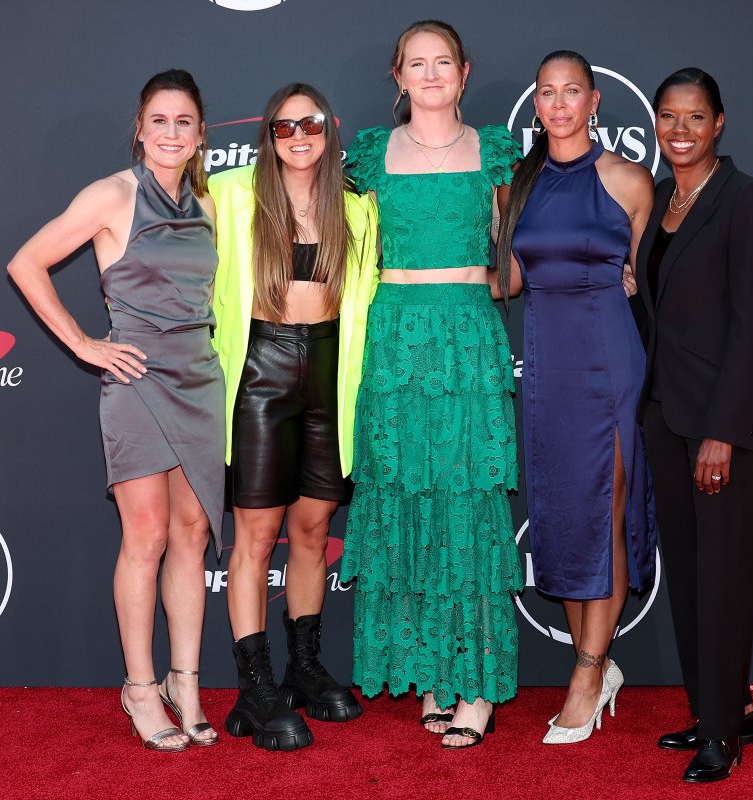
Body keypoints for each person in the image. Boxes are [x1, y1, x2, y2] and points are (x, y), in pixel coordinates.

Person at [7, 69, 223, 751]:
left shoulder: (208, 205)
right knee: (148, 536)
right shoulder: (111, 194)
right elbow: (26, 262)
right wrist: (83, 343)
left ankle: (184, 682)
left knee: (193, 537)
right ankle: (138, 687)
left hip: (200, 376)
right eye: (157, 120)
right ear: (139, 128)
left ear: (199, 134)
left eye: (183, 121)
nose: (169, 132)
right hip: (136, 378)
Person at [339, 19, 523, 749]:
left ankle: (474, 684)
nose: (431, 73)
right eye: (416, 63)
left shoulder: (495, 153)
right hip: (394, 339)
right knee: (405, 500)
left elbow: (516, 258)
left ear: (465, 71)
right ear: (397, 76)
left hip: (467, 336)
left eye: (442, 61)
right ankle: (431, 675)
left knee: (467, 505)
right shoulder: (371, 156)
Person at [494, 50, 658, 745]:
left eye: (572, 92)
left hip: (612, 361)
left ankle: (590, 672)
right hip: (550, 368)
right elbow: (504, 283)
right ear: (536, 105)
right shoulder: (515, 186)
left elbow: (642, 280)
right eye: (547, 93)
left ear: (595, 102)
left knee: (608, 509)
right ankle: (596, 663)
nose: (559, 104)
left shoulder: (630, 181)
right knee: (564, 514)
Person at [208, 84, 378, 752]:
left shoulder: (358, 207)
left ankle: (302, 668)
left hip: (334, 372)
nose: (299, 136)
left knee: (312, 528)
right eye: (284, 127)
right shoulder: (230, 195)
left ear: (329, 130)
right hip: (260, 371)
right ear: (269, 136)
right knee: (255, 536)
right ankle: (255, 686)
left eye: (310, 124)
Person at [635, 68, 753, 782]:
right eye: (669, 117)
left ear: (719, 122)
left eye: (695, 117)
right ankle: (715, 709)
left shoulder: (747, 198)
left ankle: (723, 732)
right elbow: (668, 318)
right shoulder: (662, 200)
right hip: (666, 416)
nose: (680, 131)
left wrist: (723, 430)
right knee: (692, 579)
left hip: (726, 425)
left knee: (723, 578)